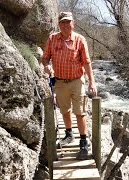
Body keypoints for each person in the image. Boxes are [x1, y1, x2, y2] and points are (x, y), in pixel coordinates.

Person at [41, 12, 97, 160]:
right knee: (65, 110)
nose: (66, 25)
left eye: (68, 22)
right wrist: (46, 66)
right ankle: (69, 134)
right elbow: (45, 57)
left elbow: (86, 62)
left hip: (77, 81)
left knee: (80, 113)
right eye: (63, 22)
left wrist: (92, 82)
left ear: (73, 23)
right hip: (59, 82)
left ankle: (84, 142)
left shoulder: (79, 40)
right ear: (59, 24)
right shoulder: (52, 39)